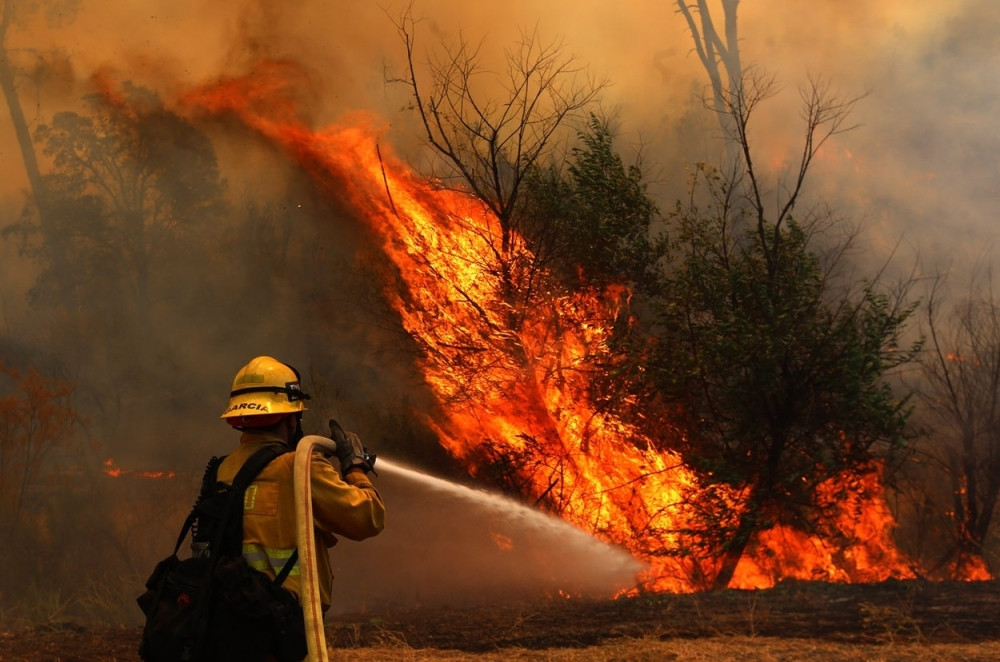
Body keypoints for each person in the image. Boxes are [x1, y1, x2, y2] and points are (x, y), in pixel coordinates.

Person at [217, 355, 385, 614]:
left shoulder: (223, 469)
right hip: (284, 626)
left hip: (231, 622)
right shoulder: (301, 467)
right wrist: (355, 468)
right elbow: (368, 517)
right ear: (291, 417)